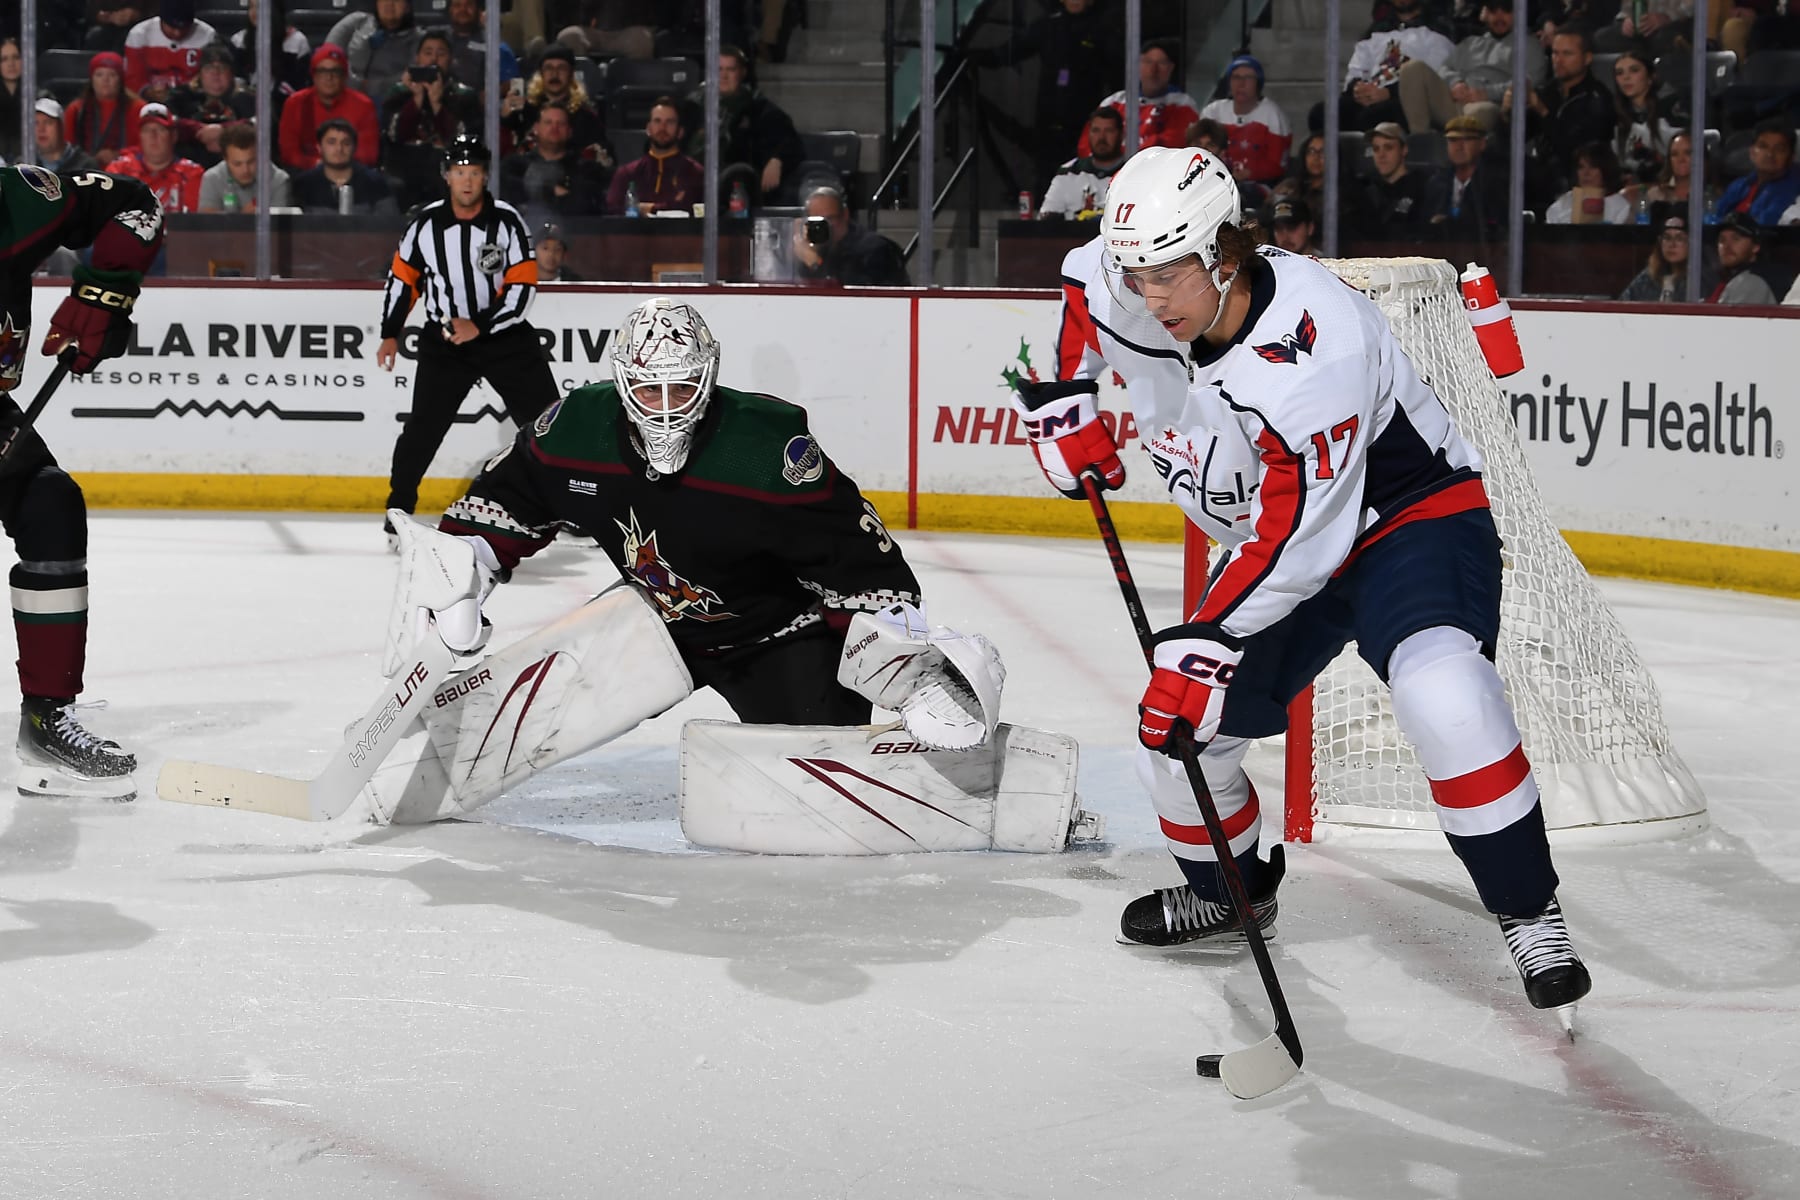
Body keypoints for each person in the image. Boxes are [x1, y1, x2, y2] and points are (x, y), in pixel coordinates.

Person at [1012, 145, 1591, 1022]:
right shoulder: (1131, 274)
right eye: (1138, 273)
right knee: (1177, 737)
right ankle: (1232, 894)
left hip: (1404, 523)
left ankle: (1529, 911)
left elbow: (1301, 540)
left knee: (1447, 695)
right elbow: (1080, 294)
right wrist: (1063, 402)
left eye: (1168, 274)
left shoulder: (1316, 347)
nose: (1149, 295)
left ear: (1223, 254)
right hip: (1273, 542)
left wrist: (1202, 646)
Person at [363, 298, 1029, 848]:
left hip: (778, 636)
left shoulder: (767, 451)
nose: (665, 404)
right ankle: (406, 773)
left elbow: (859, 565)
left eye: (681, 385)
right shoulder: (576, 431)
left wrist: (910, 668)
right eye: (647, 388)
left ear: (708, 377)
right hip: (653, 621)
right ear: (620, 382)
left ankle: (970, 782)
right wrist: (464, 569)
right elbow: (509, 499)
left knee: (829, 794)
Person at [0, 161, 166, 801]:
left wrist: (104, 291)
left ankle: (45, 722)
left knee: (50, 504)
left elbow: (135, 204)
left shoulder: (23, 199)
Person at [376, 135, 561, 541]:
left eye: (474, 172)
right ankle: (399, 508)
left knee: (548, 423)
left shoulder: (507, 221)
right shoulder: (424, 225)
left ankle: (570, 505)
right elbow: (403, 280)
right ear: (447, 176)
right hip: (445, 343)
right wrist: (391, 332)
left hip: (504, 338)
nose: (466, 180)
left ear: (485, 176)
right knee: (423, 429)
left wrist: (480, 324)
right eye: (459, 172)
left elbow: (523, 286)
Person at [972, 0, 1122, 198]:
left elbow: (1117, 75)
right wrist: (971, 57)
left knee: (1084, 176)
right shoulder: (1048, 26)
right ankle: (1045, 220)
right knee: (1047, 174)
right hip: (1050, 117)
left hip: (1085, 119)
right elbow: (1010, 51)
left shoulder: (1101, 29)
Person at [1502, 28, 1613, 203]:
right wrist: (1508, 112)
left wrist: (1543, 111)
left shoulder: (1598, 97)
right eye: (1555, 53)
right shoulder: (1548, 91)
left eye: (1567, 54)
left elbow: (1578, 148)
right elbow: (1515, 137)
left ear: (1587, 58)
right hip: (1541, 171)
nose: (1558, 60)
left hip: (1576, 174)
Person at [684, 46, 805, 205]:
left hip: (738, 188)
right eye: (719, 69)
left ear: (742, 73)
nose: (724, 76)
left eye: (731, 69)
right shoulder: (692, 106)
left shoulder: (758, 107)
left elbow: (789, 139)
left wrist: (777, 159)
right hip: (690, 184)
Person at [1396, 0, 1537, 134]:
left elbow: (1530, 82)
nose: (1499, 17)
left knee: (1481, 112)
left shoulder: (1529, 45)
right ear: (1486, 13)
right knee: (1411, 68)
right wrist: (1455, 83)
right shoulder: (1471, 42)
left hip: (1491, 105)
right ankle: (1421, 140)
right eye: (1494, 11)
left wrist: (1487, 93)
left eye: (1505, 11)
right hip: (1455, 101)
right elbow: (1444, 68)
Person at [382, 31, 481, 209]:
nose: (434, 58)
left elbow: (462, 143)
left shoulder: (465, 96)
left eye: (441, 53)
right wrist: (416, 101)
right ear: (417, 58)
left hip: (446, 173)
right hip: (404, 171)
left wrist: (437, 105)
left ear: (451, 59)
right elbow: (394, 135)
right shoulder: (398, 93)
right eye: (428, 53)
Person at [1330, 11, 1455, 132]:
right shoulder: (1377, 31)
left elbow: (1434, 77)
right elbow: (1356, 69)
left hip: (1408, 97)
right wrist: (1358, 88)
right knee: (1324, 113)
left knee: (1374, 115)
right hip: (1371, 91)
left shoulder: (1436, 32)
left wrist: (1389, 92)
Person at [1080, 40, 1201, 154]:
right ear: (1137, 66)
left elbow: (1173, 146)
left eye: (1161, 63)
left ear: (1171, 68)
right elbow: (1086, 147)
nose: (1153, 70)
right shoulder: (1114, 102)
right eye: (1148, 62)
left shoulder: (1182, 105)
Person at [278, 44, 380, 172]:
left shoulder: (364, 105)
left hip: (351, 173)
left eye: (335, 71)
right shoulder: (295, 103)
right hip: (306, 173)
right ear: (313, 75)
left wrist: (336, 166)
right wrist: (316, 164)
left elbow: (368, 155)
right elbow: (288, 153)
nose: (329, 77)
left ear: (344, 75)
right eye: (322, 71)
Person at [500, 101, 610, 217]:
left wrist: (535, 191)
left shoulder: (586, 168)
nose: (554, 127)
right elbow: (506, 190)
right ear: (536, 128)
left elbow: (585, 202)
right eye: (548, 122)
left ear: (569, 131)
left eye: (561, 123)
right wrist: (551, 190)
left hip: (574, 232)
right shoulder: (515, 165)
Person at [1197, 54, 1291, 188]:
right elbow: (1197, 151)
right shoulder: (1212, 112)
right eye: (1236, 77)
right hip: (1215, 183)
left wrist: (1252, 173)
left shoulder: (1272, 114)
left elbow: (1278, 165)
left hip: (1260, 186)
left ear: (1258, 82)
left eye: (1248, 78)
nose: (1241, 84)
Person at [502, 44, 608, 160]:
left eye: (561, 68)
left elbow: (604, 157)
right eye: (548, 68)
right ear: (541, 74)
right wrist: (505, 119)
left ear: (571, 74)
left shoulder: (586, 117)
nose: (554, 74)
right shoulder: (524, 110)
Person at [793, 185, 910, 287]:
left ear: (845, 215)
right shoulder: (813, 249)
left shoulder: (876, 249)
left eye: (830, 219)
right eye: (816, 222)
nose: (825, 226)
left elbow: (856, 294)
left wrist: (815, 264)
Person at [603, 97, 704, 216]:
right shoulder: (627, 173)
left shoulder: (695, 173)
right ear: (648, 129)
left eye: (670, 122)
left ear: (680, 131)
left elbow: (692, 209)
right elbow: (612, 208)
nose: (662, 128)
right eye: (657, 121)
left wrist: (648, 208)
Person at [105, 102, 205, 214]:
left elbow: (193, 223)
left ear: (174, 136)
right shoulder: (119, 170)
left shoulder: (192, 173)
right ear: (140, 136)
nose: (153, 136)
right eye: (147, 130)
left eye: (160, 129)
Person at [169, 44, 256, 169]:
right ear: (200, 74)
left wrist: (224, 132)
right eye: (209, 68)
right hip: (188, 168)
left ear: (231, 74)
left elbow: (263, 125)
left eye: (222, 68)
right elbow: (167, 121)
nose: (215, 74)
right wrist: (198, 130)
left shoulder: (247, 99)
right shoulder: (181, 97)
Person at [1609, 49, 1683, 191]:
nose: (1626, 78)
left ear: (1651, 77)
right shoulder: (1613, 115)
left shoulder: (1670, 107)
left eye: (1634, 70)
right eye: (1620, 73)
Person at [290, 118, 398, 214]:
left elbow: (388, 227)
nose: (339, 149)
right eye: (331, 142)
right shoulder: (303, 184)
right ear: (319, 147)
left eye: (346, 143)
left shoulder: (375, 183)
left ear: (354, 147)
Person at [1040, 107, 1129, 220]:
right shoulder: (1068, 172)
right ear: (1089, 134)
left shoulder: (1132, 173)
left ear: (1121, 135)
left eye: (1109, 131)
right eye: (1096, 130)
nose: (1101, 137)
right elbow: (1047, 218)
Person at [1425, 114, 1506, 237]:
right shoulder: (1436, 183)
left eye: (1467, 139)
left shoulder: (1495, 182)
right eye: (1453, 140)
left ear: (1482, 143)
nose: (1459, 147)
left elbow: (1498, 227)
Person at [123, 0, 217, 103]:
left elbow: (213, 75)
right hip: (149, 102)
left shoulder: (207, 35)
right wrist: (147, 91)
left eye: (184, 28)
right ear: (161, 20)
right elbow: (132, 77)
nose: (177, 33)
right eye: (172, 27)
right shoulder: (139, 34)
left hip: (195, 100)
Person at [1712, 118, 1800, 226]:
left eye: (1779, 149)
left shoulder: (1794, 189)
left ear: (1791, 157)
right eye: (1763, 146)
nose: (1770, 154)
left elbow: (1767, 225)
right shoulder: (1739, 185)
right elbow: (1716, 218)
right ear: (1752, 152)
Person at [64, 52, 145, 168]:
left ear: (121, 79)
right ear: (91, 79)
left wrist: (118, 154)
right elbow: (66, 149)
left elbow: (148, 148)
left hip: (129, 169)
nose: (105, 80)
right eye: (99, 75)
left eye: (112, 75)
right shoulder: (76, 110)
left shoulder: (138, 108)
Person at [335, 0, 423, 106]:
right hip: (345, 93)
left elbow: (410, 76)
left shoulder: (418, 39)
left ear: (407, 6)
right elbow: (327, 56)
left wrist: (372, 87)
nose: (389, 3)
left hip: (390, 102)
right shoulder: (356, 21)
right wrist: (354, 83)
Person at [1618, 210, 1715, 301]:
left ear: (1691, 243)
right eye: (1667, 238)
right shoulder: (1648, 276)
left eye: (1679, 238)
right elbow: (1624, 303)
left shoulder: (1701, 280)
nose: (1672, 244)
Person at [1359, 120, 1433, 233]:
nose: (1381, 155)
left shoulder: (1422, 186)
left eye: (1388, 148)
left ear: (1404, 150)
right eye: (1376, 149)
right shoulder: (1366, 187)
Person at [199, 121, 291, 212]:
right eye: (237, 164)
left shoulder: (279, 180)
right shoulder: (212, 178)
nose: (245, 170)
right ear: (225, 159)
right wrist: (243, 218)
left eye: (251, 162)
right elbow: (207, 220)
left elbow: (278, 223)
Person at [228, 0, 313, 98]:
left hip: (283, 104)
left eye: (259, 7)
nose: (254, 12)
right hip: (246, 105)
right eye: (251, 7)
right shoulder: (239, 40)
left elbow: (299, 85)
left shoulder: (297, 41)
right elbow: (235, 80)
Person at [1544, 141, 1631, 224]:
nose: (1586, 173)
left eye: (1593, 167)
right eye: (1581, 167)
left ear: (1606, 170)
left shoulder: (1621, 207)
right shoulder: (1566, 200)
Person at [1706, 211, 1781, 304]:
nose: (1727, 246)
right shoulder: (1726, 279)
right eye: (1722, 240)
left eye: (1736, 238)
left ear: (1755, 247)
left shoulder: (1753, 282)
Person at [33, 100, 101, 176]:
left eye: (48, 122)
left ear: (62, 127)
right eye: (36, 123)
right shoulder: (23, 166)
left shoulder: (86, 166)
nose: (41, 129)